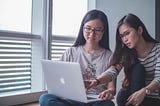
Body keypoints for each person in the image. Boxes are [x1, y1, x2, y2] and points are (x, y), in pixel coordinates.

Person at [39, 9, 116, 106]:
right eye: (88, 28)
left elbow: (112, 88)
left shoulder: (109, 56)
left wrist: (109, 93)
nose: (92, 34)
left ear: (104, 31)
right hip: (71, 99)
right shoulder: (70, 52)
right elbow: (58, 81)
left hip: (96, 100)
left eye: (97, 30)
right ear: (82, 28)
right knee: (45, 98)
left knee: (108, 105)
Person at [85, 13, 160, 106]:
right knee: (137, 69)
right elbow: (113, 71)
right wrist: (96, 81)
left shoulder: (158, 50)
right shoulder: (126, 52)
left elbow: (158, 78)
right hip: (131, 97)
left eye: (127, 34)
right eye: (122, 36)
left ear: (139, 30)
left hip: (153, 98)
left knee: (138, 69)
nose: (125, 39)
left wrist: (144, 91)